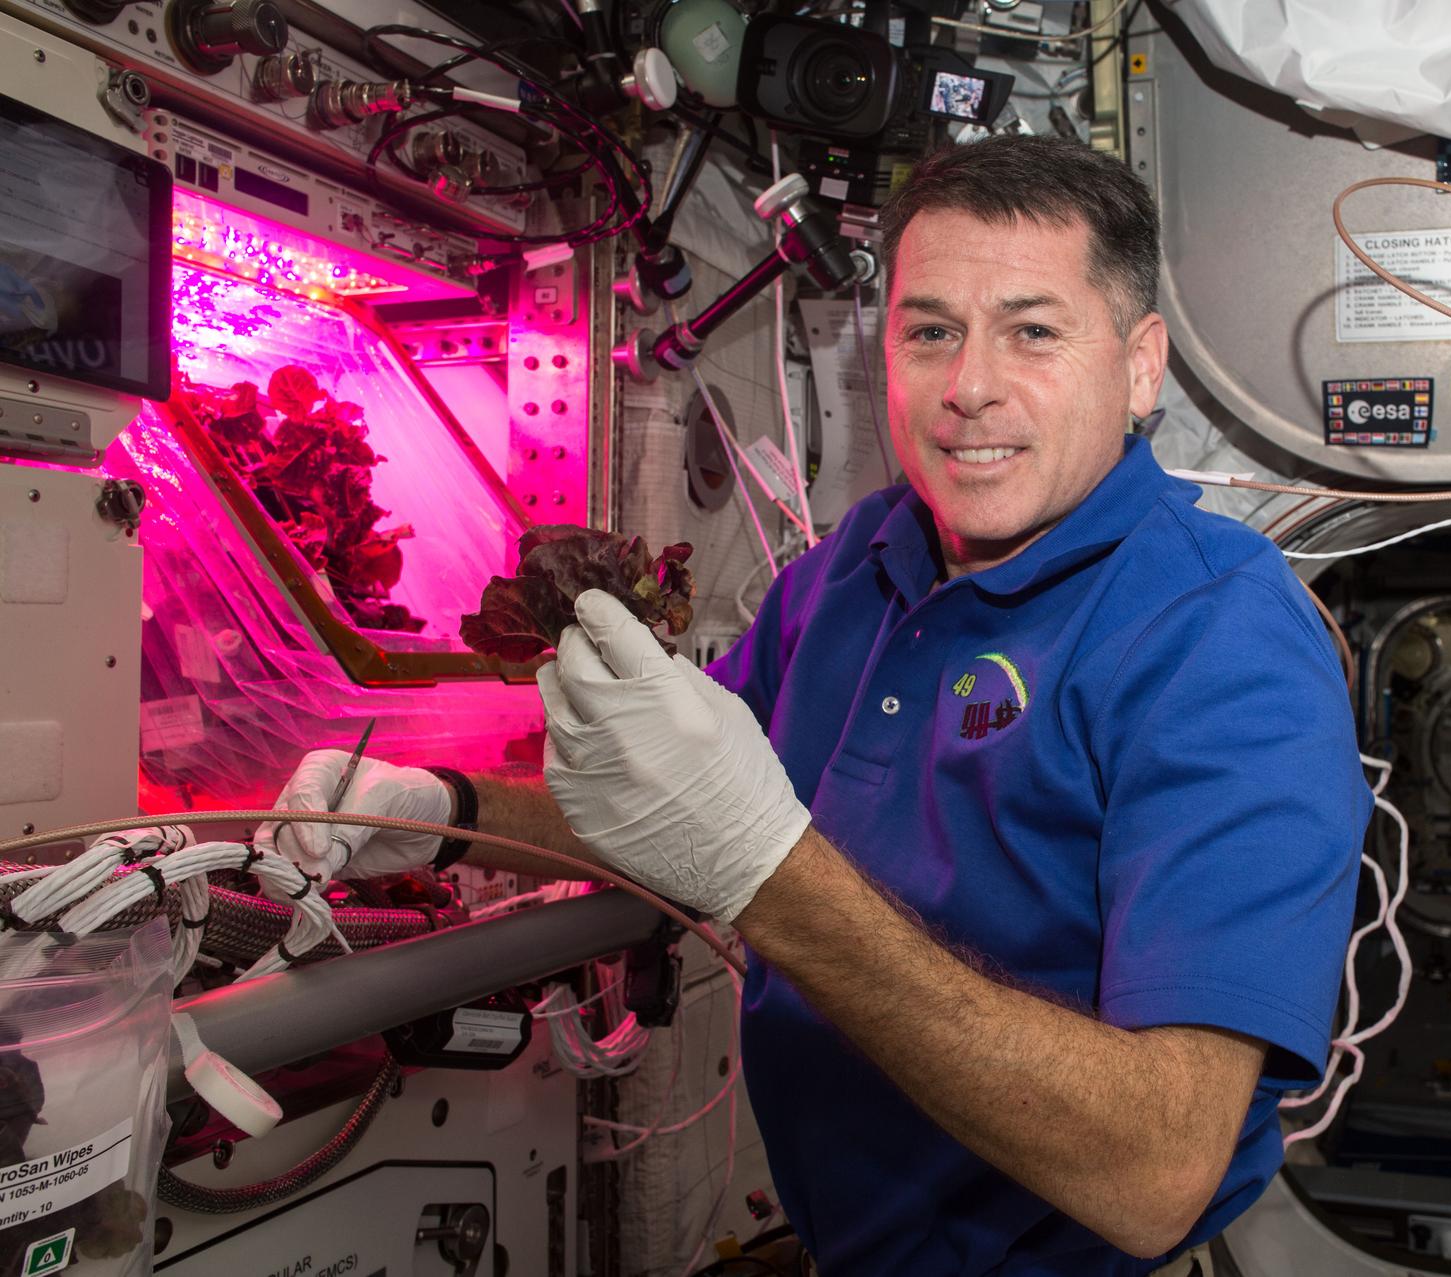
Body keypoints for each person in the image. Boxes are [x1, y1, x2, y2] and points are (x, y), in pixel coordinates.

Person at [263, 135, 1371, 1276]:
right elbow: (676, 810)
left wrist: (766, 872)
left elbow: (1156, 1173)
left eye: (1033, 332)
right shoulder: (861, 561)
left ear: (1140, 369)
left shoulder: (1220, 636)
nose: (969, 386)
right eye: (930, 332)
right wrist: (445, 812)